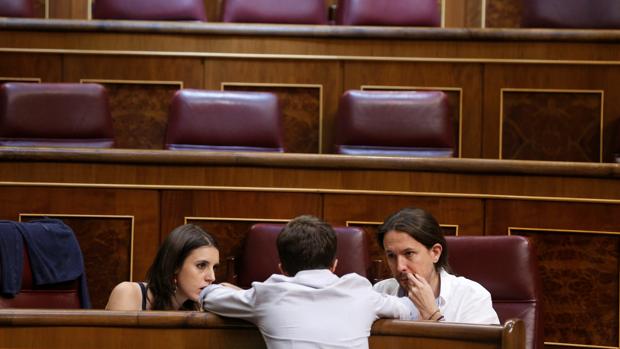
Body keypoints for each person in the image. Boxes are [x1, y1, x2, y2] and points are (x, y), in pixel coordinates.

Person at [200, 215, 413, 349]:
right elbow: (407, 310)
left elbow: (209, 297)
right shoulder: (360, 291)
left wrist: (237, 293)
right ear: (334, 265)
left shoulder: (269, 294)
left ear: (282, 269)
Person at [373, 207, 499, 324]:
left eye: (409, 253)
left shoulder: (472, 297)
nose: (400, 267)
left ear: (435, 253)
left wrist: (432, 315)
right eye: (391, 256)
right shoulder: (379, 292)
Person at [105, 224, 219, 311]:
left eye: (214, 268)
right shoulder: (128, 293)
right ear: (175, 265)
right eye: (201, 265)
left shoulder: (199, 308)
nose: (212, 277)